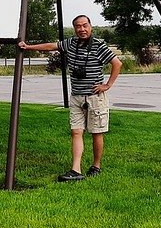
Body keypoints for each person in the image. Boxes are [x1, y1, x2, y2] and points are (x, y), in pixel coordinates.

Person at [19, 14, 122, 182]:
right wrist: (28, 47)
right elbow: (51, 46)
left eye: (85, 25)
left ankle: (96, 165)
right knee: (76, 131)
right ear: (75, 29)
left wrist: (107, 85)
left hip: (95, 97)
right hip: (76, 96)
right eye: (78, 26)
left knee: (96, 132)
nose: (82, 29)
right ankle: (76, 169)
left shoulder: (98, 45)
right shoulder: (70, 43)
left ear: (90, 26)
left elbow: (117, 63)